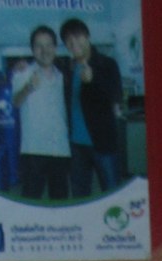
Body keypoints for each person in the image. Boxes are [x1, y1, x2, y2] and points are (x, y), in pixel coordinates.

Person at [61, 17, 124, 197]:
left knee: (112, 194)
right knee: (80, 196)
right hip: (76, 146)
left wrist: (93, 80)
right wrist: (21, 66)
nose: (74, 43)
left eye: (77, 37)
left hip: (103, 143)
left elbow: (115, 96)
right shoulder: (67, 68)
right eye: (68, 40)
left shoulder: (107, 64)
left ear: (87, 37)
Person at [12, 24, 71, 202]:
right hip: (33, 150)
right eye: (39, 46)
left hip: (60, 149)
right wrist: (29, 87)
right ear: (32, 50)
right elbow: (15, 102)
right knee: (30, 202)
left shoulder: (62, 75)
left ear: (55, 48)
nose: (44, 50)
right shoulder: (23, 73)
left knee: (60, 203)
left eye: (48, 45)